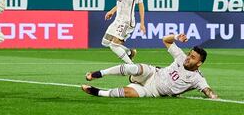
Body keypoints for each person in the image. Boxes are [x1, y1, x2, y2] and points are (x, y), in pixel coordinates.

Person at [82, 33, 218, 99]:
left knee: (128, 93)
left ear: (199, 63)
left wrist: (212, 96)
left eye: (192, 57)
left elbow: (207, 90)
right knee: (135, 68)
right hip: (153, 73)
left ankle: (97, 92)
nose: (188, 58)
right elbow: (165, 40)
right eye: (189, 54)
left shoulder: (198, 78)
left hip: (154, 91)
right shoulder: (181, 57)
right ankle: (98, 74)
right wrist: (176, 37)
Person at [101, 0, 146, 64]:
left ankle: (132, 66)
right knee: (105, 42)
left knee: (114, 45)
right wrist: (112, 11)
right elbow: (120, 2)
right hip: (117, 20)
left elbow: (141, 5)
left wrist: (142, 23)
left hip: (126, 21)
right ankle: (129, 52)